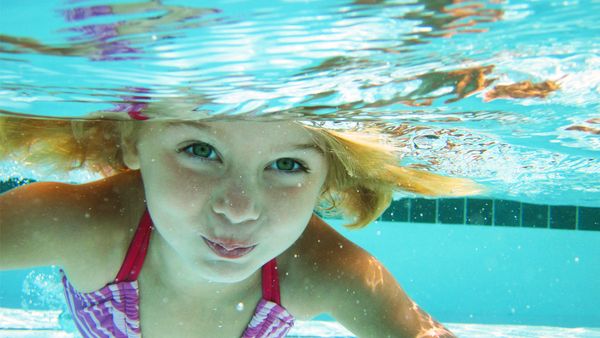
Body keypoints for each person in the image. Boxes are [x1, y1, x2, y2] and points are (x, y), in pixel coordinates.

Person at [0, 113, 481, 337]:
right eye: (200, 150)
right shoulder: (84, 224)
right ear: (131, 143)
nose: (239, 209)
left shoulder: (325, 270)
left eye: (288, 164)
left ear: (327, 177)